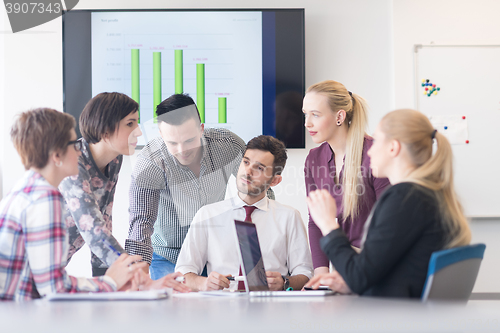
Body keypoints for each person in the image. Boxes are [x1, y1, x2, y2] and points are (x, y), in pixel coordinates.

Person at [304, 109, 472, 298]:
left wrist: (328, 225)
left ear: (393, 147)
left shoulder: (404, 198)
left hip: (396, 317)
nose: (371, 149)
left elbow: (358, 276)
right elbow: (386, 272)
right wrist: (352, 284)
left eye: (376, 141)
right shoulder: (425, 194)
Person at [0, 108, 147, 301]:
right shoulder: (45, 197)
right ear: (56, 155)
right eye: (73, 144)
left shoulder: (24, 190)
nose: (80, 151)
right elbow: (55, 288)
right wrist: (110, 282)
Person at [59, 93, 189, 292]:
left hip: (53, 266)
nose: (138, 132)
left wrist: (110, 284)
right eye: (130, 124)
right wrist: (135, 273)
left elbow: (104, 220)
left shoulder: (114, 160)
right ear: (105, 129)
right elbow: (92, 229)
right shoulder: (73, 161)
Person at [126, 93, 250, 280]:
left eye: (189, 140)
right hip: (168, 256)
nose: (182, 150)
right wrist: (137, 275)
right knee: (171, 307)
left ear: (201, 129)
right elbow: (141, 222)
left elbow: (258, 188)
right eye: (172, 143)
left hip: (215, 253)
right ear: (161, 135)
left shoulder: (228, 146)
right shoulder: (150, 161)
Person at [175, 135, 313, 292]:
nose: (247, 172)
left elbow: (306, 273)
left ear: (275, 181)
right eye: (246, 162)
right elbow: (182, 273)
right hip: (221, 307)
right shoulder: (207, 214)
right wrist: (203, 283)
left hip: (271, 308)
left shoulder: (289, 217)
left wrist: (284, 282)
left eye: (259, 168)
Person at [303, 80, 391, 275]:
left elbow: (390, 224)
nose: (307, 123)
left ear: (339, 117)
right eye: (305, 114)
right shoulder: (314, 159)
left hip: (377, 268)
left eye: (315, 115)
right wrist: (321, 274)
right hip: (343, 270)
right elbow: (315, 222)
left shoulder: (375, 153)